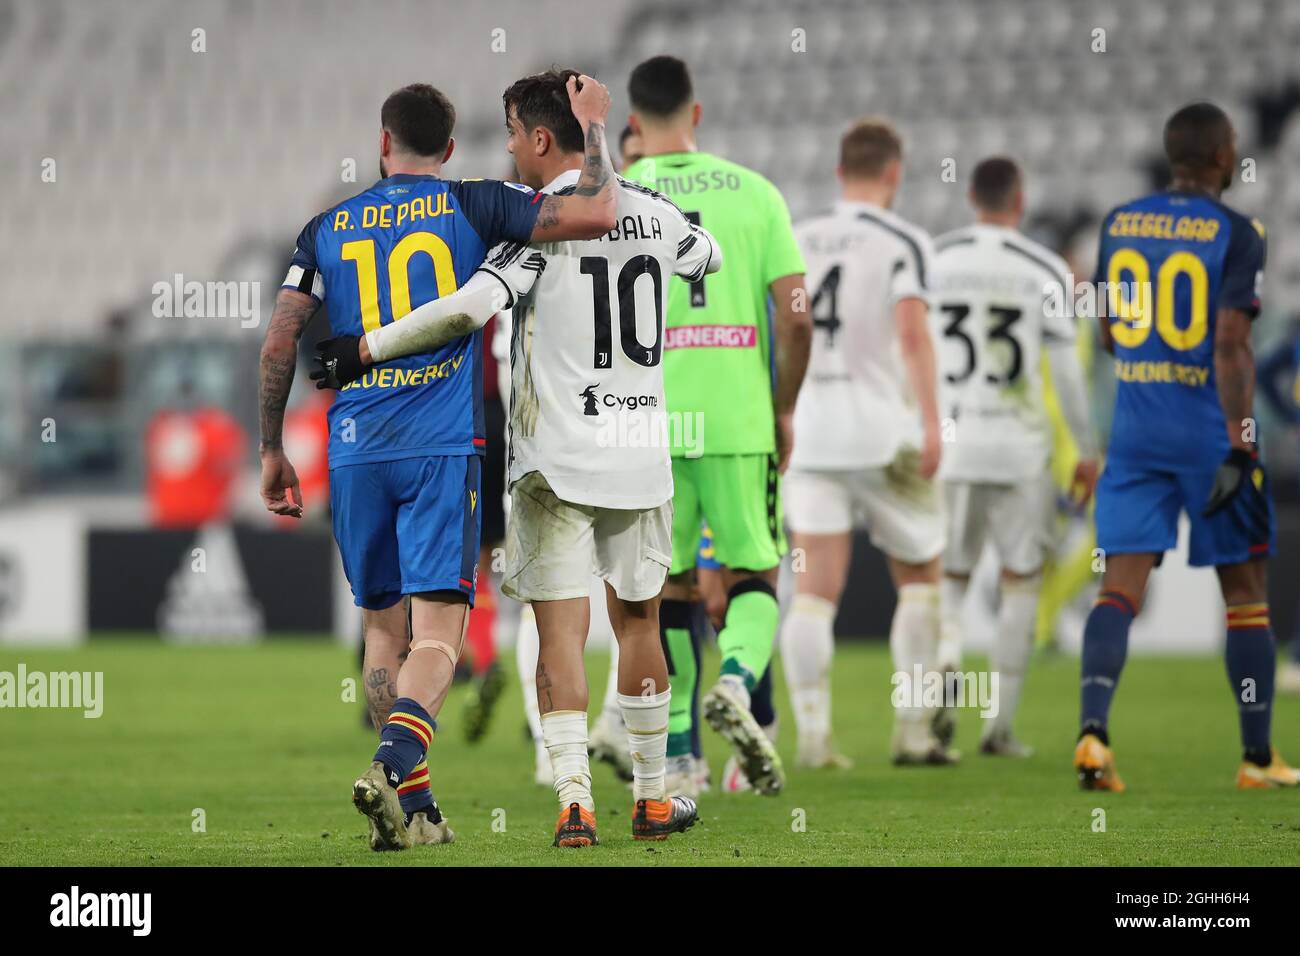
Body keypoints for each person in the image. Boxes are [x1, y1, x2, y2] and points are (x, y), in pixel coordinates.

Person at [313, 69, 718, 846]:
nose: (507, 151)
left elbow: (468, 308)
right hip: (639, 453)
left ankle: (574, 803)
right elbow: (709, 257)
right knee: (640, 626)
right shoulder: (655, 213)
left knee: (560, 635)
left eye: (510, 135)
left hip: (551, 461)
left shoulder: (532, 233)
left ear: (538, 139)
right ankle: (654, 797)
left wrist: (369, 345)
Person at [258, 79, 618, 851]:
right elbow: (595, 210)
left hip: (354, 450)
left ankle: (415, 813)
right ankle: (391, 766)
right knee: (439, 637)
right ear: (449, 148)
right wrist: (591, 128)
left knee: (381, 635)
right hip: (439, 446)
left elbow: (281, 339)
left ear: (383, 145)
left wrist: (270, 448)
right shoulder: (476, 201)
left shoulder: (326, 227)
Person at [1078, 101, 1297, 791]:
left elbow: (1109, 332)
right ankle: (1258, 757)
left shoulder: (1119, 223)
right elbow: (1232, 343)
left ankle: (1093, 735)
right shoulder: (1238, 234)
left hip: (1136, 431)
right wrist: (1241, 441)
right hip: (1206, 433)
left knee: (1119, 588)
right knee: (1245, 594)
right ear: (1224, 157)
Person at [624, 56, 810, 796]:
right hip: (738, 417)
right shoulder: (756, 193)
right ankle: (735, 681)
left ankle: (679, 759)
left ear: (634, 123)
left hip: (651, 425)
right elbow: (797, 319)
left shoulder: (621, 196)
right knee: (752, 571)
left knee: (661, 589)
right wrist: (783, 405)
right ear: (695, 115)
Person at [779, 118, 949, 767]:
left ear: (838, 172)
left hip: (812, 433)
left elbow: (784, 326)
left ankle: (816, 737)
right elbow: (912, 336)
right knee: (922, 582)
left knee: (814, 592)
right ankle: (911, 731)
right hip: (884, 437)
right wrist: (934, 422)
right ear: (894, 173)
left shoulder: (798, 236)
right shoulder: (905, 241)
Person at [931, 157, 1099, 756]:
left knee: (950, 575)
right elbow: (1069, 377)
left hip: (954, 442)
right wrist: (1084, 448)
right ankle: (998, 727)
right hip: (1020, 448)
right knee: (1021, 581)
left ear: (972, 195)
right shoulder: (1045, 270)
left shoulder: (937, 259)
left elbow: (915, 353)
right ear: (1018, 200)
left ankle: (947, 662)